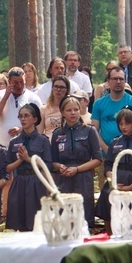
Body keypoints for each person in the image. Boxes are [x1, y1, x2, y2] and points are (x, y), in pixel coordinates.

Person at [94, 106, 132, 234]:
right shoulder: (115, 142)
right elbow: (108, 165)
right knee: (109, 206)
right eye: (120, 124)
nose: (123, 127)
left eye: (127, 123)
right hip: (116, 183)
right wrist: (112, 182)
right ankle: (111, 238)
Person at [51, 96, 103, 227]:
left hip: (83, 177)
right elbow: (52, 161)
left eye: (75, 109)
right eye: (68, 110)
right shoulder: (57, 133)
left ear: (80, 111)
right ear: (62, 112)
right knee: (64, 215)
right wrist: (60, 166)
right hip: (64, 178)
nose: (73, 113)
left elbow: (97, 159)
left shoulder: (90, 131)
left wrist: (78, 169)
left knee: (84, 213)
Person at [6, 104, 52, 231]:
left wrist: (28, 159)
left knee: (36, 222)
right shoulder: (14, 142)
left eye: (26, 116)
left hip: (36, 182)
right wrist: (20, 161)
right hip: (19, 181)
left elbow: (47, 165)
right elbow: (7, 168)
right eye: (20, 116)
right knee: (19, 222)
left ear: (35, 119)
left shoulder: (43, 140)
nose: (23, 119)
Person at [92, 67, 132, 154]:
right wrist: (106, 149)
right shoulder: (99, 103)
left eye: (121, 79)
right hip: (105, 154)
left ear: (125, 82)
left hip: (130, 153)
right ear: (108, 81)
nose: (118, 82)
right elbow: (94, 131)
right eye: (114, 79)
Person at [0, 67, 43, 147]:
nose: (19, 86)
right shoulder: (0, 95)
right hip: (2, 146)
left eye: (21, 82)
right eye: (15, 83)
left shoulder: (34, 98)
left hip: (27, 147)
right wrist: (5, 97)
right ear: (9, 82)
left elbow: (39, 123)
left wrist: (22, 129)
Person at [40, 75, 71, 139]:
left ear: (67, 90)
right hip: (49, 144)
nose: (58, 90)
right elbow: (39, 133)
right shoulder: (43, 109)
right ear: (52, 88)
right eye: (56, 87)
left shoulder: (71, 109)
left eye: (62, 87)